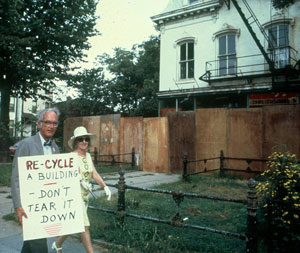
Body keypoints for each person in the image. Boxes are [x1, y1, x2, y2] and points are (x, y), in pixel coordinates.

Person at [52, 126, 112, 253]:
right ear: (76, 142)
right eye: (80, 139)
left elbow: (94, 173)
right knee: (85, 226)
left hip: (85, 196)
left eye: (86, 139)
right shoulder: (71, 157)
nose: (84, 142)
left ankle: (57, 244)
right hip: (74, 195)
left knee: (74, 223)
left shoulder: (88, 156)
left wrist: (104, 186)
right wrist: (78, 180)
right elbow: (65, 176)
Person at [11, 107, 61, 253]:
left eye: (54, 123)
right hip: (30, 205)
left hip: (46, 205)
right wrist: (18, 206)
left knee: (31, 245)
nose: (51, 126)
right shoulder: (26, 145)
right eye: (47, 122)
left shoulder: (55, 148)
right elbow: (15, 177)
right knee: (39, 245)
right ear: (39, 124)